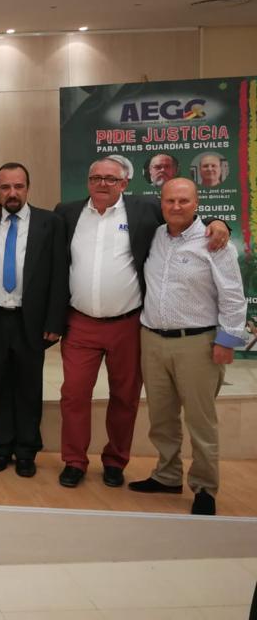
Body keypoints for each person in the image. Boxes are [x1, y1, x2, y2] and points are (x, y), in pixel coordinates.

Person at [54, 157, 228, 488]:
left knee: (125, 396)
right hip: (80, 323)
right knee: (74, 394)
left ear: (124, 183)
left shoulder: (145, 209)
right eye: (95, 178)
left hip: (128, 324)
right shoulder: (67, 212)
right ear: (88, 182)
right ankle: (74, 461)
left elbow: (183, 216)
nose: (102, 184)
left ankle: (115, 461)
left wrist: (218, 222)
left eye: (110, 179)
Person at [129, 178, 246, 516]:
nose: (176, 207)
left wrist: (227, 341)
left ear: (197, 203)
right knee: (161, 417)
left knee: (201, 421)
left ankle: (205, 487)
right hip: (152, 341)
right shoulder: (154, 236)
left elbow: (233, 295)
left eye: (184, 201)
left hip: (198, 344)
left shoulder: (215, 241)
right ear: (161, 203)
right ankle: (167, 476)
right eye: (170, 201)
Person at [0, 163, 67, 477]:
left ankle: (27, 451)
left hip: (31, 320)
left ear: (28, 187)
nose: (12, 193)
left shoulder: (50, 223)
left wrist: (55, 321)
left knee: (29, 388)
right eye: (5, 187)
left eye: (18, 186)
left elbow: (59, 274)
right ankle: (1, 447)